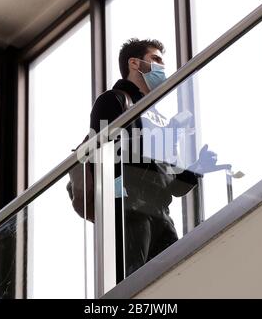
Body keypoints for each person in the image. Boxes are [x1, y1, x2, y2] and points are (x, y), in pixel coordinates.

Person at [89, 38, 215, 279]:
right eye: (155, 60)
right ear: (135, 63)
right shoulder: (114, 100)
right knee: (133, 282)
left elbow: (174, 185)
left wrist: (197, 167)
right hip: (131, 209)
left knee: (172, 282)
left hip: (162, 214)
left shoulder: (157, 117)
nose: (161, 68)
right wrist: (118, 201)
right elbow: (104, 155)